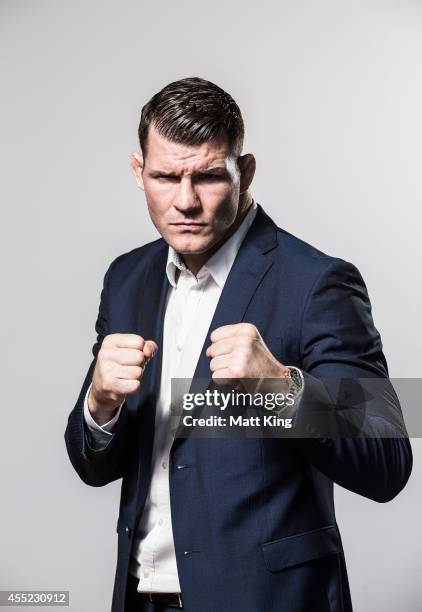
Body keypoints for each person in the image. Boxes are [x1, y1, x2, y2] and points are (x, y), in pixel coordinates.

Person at [64, 77, 412, 612]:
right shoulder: (127, 278)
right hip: (141, 599)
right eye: (165, 176)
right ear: (139, 172)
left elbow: (387, 459)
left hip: (266, 600)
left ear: (244, 173)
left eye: (207, 176)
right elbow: (94, 466)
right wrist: (99, 404)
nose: (186, 201)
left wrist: (279, 388)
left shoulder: (315, 283)